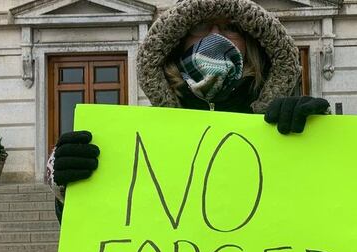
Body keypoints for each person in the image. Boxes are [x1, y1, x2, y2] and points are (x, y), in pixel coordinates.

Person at [46, 0, 330, 221]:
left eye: (231, 28)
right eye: (200, 27)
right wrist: (69, 187)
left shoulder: (284, 123)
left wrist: (321, 141)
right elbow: (105, 230)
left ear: (252, 43)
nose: (216, 36)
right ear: (177, 42)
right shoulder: (144, 138)